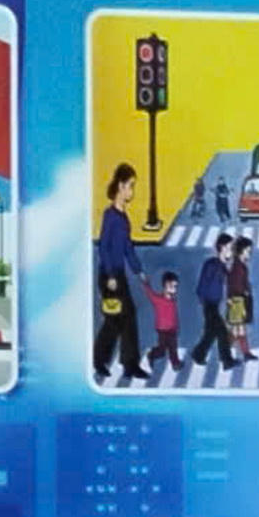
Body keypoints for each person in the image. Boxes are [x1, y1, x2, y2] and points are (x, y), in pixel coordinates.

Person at [93, 163, 146, 385]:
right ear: (121, 186)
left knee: (124, 317)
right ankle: (102, 361)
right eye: (131, 186)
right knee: (116, 319)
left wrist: (138, 270)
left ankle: (127, 364)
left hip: (119, 274)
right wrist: (111, 275)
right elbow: (104, 247)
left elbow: (127, 248)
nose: (132, 191)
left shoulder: (123, 217)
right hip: (109, 277)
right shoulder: (110, 216)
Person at [190, 235, 237, 372]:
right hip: (209, 304)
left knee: (210, 333)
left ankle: (198, 354)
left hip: (214, 303)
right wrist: (203, 299)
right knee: (221, 331)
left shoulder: (222, 266)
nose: (231, 251)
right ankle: (227, 361)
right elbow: (202, 285)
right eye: (229, 248)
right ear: (222, 248)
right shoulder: (212, 264)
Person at [226, 238, 258, 364]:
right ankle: (226, 353)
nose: (249, 254)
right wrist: (243, 293)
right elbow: (233, 284)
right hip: (237, 300)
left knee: (240, 328)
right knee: (237, 329)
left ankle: (245, 353)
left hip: (240, 299)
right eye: (248, 251)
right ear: (241, 251)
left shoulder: (240, 265)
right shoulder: (237, 267)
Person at [146, 268, 182, 370]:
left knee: (173, 348)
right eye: (171, 286)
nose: (173, 289)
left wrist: (176, 326)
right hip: (162, 329)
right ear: (164, 286)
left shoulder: (173, 300)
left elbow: (174, 315)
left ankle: (175, 364)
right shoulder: (158, 299)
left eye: (175, 286)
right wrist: (146, 283)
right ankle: (152, 355)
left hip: (172, 329)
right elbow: (150, 294)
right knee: (162, 351)